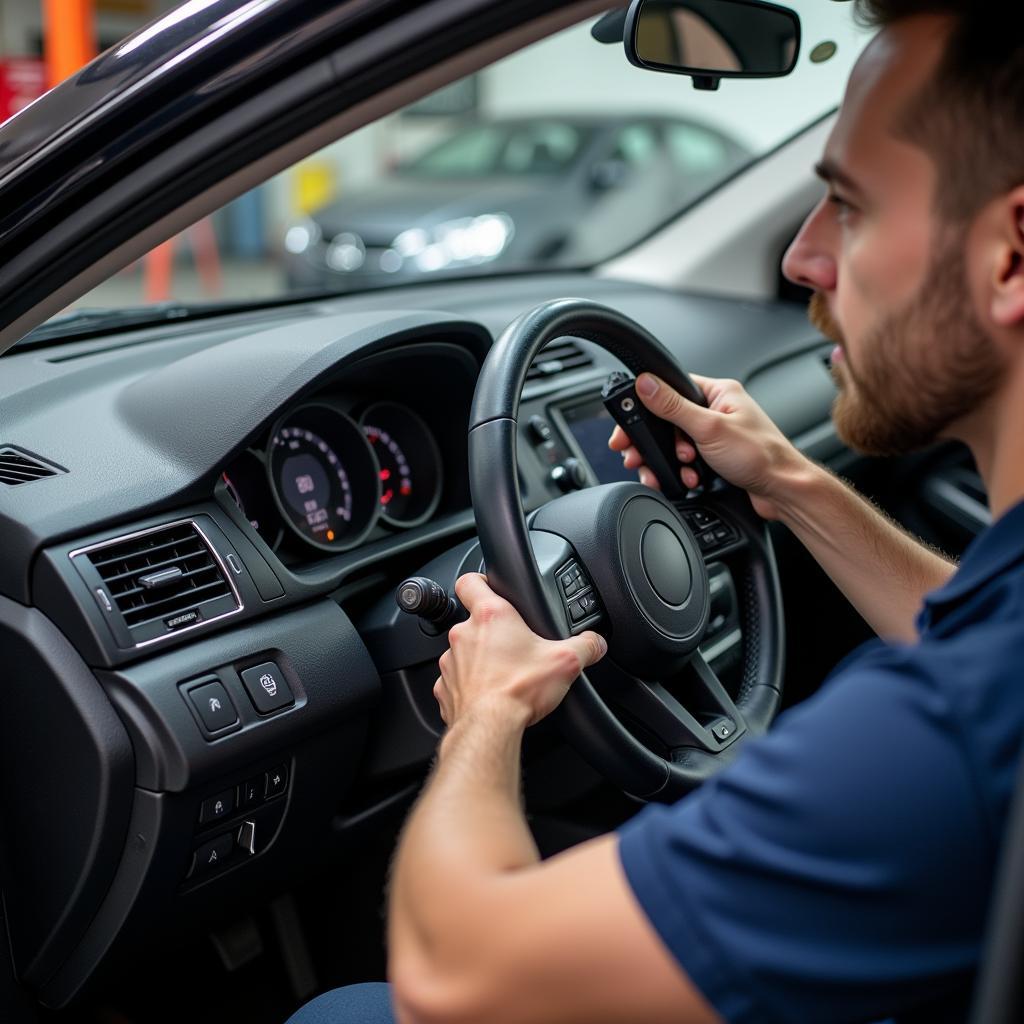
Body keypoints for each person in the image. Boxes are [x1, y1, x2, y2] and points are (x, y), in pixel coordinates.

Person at [287, 1, 1024, 1021]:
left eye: (849, 207)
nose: (802, 259)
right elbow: (973, 628)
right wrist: (793, 485)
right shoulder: (997, 644)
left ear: (1011, 254)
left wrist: (488, 712)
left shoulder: (942, 739)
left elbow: (453, 980)